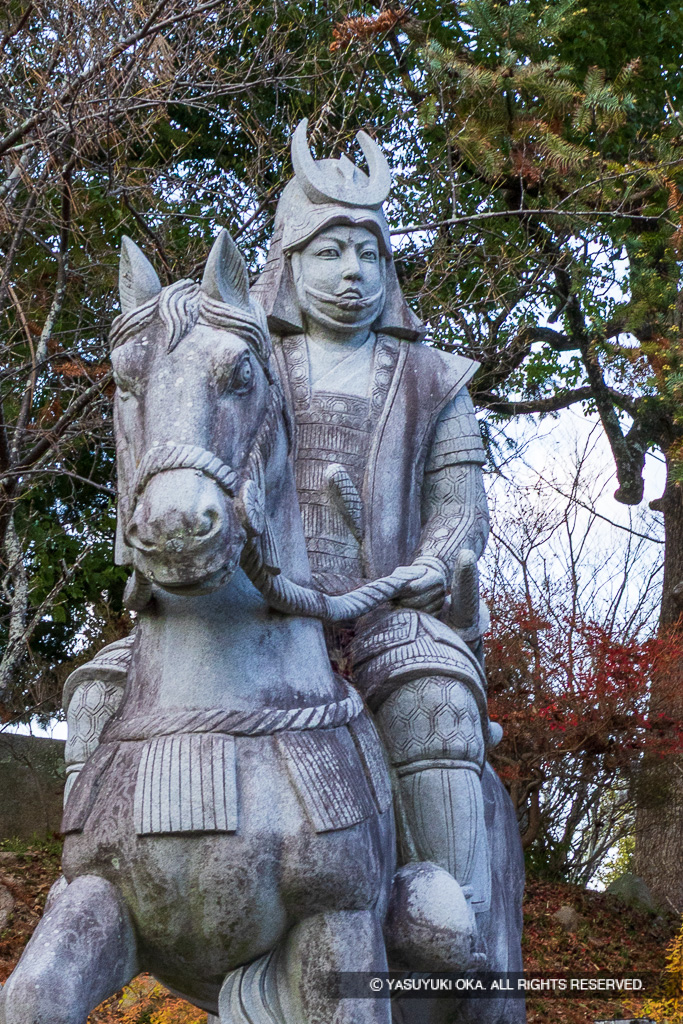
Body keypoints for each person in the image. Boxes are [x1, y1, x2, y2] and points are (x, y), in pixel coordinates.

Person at [250, 120, 497, 934]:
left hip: (387, 614)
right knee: (113, 685)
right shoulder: (246, 368)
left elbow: (460, 508)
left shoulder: (435, 379)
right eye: (329, 251)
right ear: (288, 263)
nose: (352, 272)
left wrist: (437, 560)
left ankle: (454, 919)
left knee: (436, 704)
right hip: (258, 616)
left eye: (369, 253)